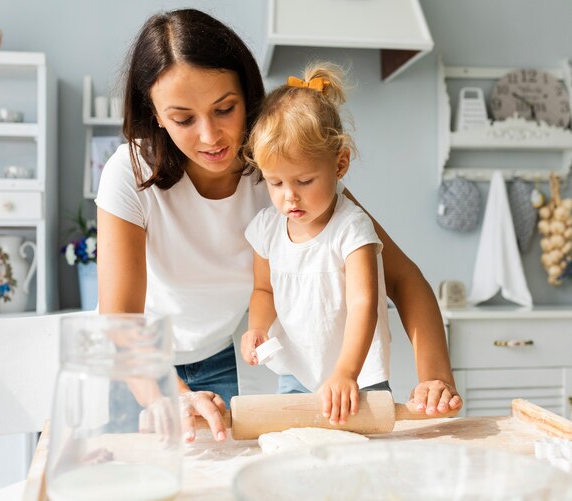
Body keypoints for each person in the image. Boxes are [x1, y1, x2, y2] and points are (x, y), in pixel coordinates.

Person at [96, 8, 462, 443]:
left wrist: (436, 377)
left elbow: (403, 279)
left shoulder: (277, 173)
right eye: (183, 118)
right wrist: (168, 395)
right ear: (154, 112)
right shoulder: (130, 173)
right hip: (136, 365)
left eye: (224, 109)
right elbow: (122, 322)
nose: (211, 136)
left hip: (218, 360)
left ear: (246, 97)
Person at [240, 63, 390, 426]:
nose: (289, 196)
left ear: (339, 164)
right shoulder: (267, 230)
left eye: (304, 180)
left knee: (358, 459)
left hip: (358, 377)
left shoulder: (351, 229)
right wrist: (257, 328)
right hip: (296, 372)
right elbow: (263, 289)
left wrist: (345, 373)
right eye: (275, 183)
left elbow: (363, 304)